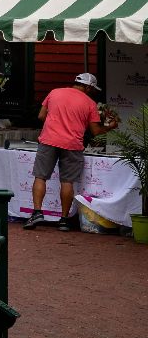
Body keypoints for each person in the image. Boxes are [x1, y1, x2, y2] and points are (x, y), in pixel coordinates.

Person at [26, 72, 118, 231]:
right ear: (88, 87)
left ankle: (37, 212)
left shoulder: (54, 92)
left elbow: (41, 116)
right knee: (67, 182)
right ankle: (63, 220)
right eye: (93, 89)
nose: (93, 92)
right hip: (72, 145)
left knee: (40, 177)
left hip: (49, 140)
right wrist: (110, 127)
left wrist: (56, 122)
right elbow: (95, 131)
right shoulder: (90, 103)